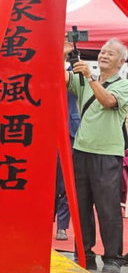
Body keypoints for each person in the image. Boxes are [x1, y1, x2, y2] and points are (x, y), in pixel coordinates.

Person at [64, 38, 128, 273]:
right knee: (81, 207)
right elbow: (60, 78)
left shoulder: (123, 85)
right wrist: (63, 55)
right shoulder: (83, 79)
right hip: (81, 151)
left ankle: (112, 258)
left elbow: (108, 101)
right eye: (102, 52)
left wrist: (90, 77)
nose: (103, 56)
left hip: (107, 154)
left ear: (121, 62)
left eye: (110, 54)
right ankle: (84, 255)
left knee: (108, 208)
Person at [55, 90, 80, 241]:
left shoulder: (76, 78)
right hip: (44, 129)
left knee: (66, 181)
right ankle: (43, 223)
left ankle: (62, 225)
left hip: (70, 131)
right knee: (46, 182)